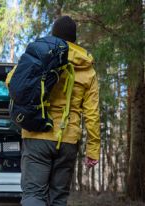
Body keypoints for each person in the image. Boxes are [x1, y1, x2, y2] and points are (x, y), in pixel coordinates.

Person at [19, 16, 100, 206]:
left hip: (38, 133)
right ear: (75, 38)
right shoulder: (87, 69)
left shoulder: (40, 55)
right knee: (59, 198)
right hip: (68, 141)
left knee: (34, 195)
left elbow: (12, 82)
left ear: (53, 35)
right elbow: (92, 114)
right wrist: (93, 150)